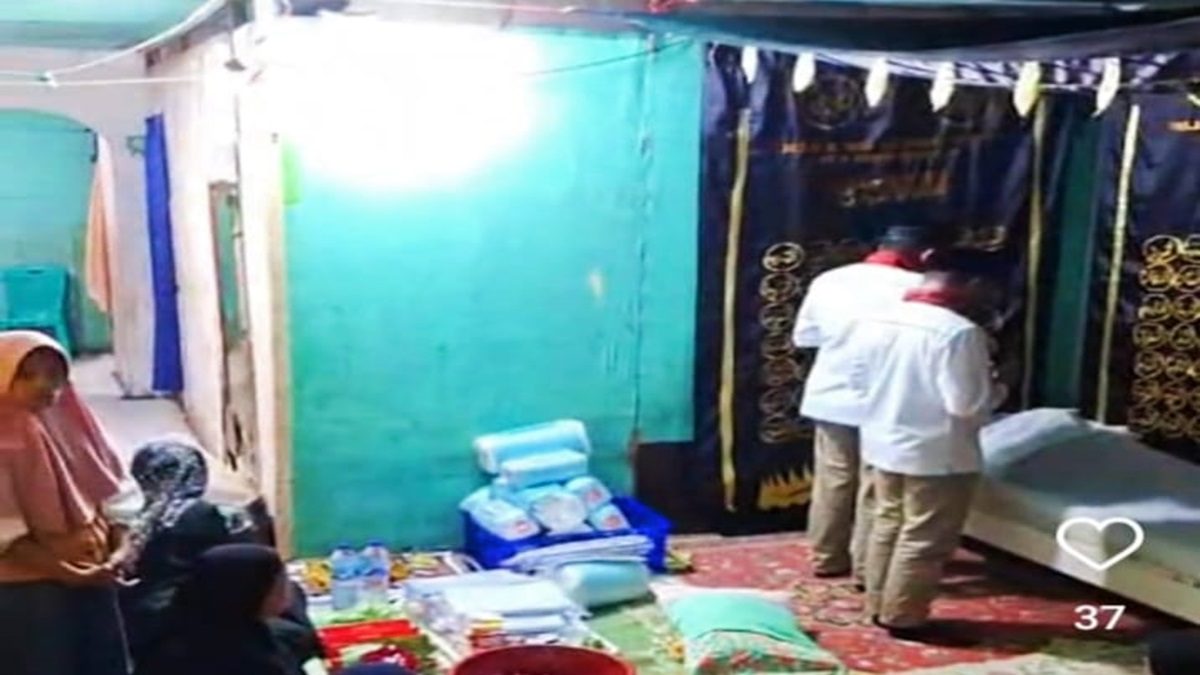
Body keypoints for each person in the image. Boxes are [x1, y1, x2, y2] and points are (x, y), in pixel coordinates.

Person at [839, 248, 1008, 646]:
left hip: (880, 441)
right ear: (972, 285)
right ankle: (904, 617)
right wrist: (999, 388)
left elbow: (857, 383)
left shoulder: (875, 320)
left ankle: (877, 604)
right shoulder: (959, 333)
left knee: (887, 523)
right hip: (936, 453)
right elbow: (965, 405)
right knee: (924, 537)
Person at [792, 224, 940, 584]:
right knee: (876, 486)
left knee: (834, 477)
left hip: (833, 393)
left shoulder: (830, 280)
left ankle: (827, 556)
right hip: (889, 397)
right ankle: (865, 569)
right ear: (925, 256)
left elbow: (805, 337)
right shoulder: (917, 288)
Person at [121, 440, 321, 670]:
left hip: (150, 620)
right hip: (212, 611)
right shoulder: (215, 516)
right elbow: (249, 569)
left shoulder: (138, 522)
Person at [0, 330, 133, 674]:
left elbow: (114, 495)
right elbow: (6, 535)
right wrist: (67, 573)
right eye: (26, 375)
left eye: (54, 375)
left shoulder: (74, 424)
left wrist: (120, 550)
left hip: (92, 573)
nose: (44, 385)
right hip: (27, 589)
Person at [137, 543, 307, 675]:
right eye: (281, 583)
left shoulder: (180, 624)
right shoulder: (249, 662)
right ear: (251, 591)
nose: (289, 588)